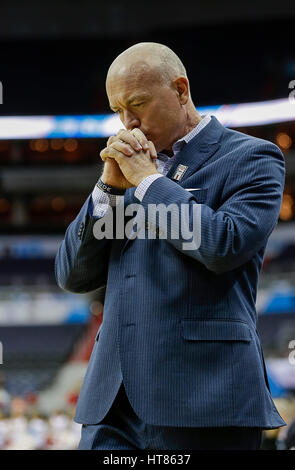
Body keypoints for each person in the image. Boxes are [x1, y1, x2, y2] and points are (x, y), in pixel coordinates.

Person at [55, 42, 286, 450]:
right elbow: (72, 275)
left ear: (181, 90)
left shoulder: (252, 157)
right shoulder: (125, 173)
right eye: (117, 110)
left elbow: (222, 244)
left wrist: (149, 182)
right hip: (111, 405)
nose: (128, 123)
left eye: (138, 103)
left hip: (204, 398)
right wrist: (106, 190)